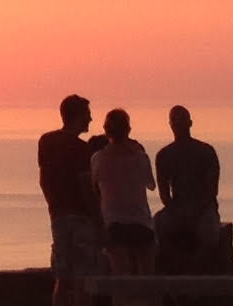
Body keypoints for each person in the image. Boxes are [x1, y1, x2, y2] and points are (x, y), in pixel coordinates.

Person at [37, 94, 105, 306]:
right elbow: (85, 187)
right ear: (77, 115)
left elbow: (44, 178)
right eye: (87, 113)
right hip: (80, 217)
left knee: (62, 279)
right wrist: (99, 221)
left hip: (58, 216)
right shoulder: (80, 149)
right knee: (83, 280)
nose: (90, 118)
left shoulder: (46, 142)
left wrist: (53, 206)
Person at [154, 104, 225, 273]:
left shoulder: (206, 152)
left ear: (190, 123)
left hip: (204, 210)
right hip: (177, 208)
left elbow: (211, 190)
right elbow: (164, 193)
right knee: (157, 226)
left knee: (209, 234)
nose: (178, 124)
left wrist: (195, 211)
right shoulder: (164, 155)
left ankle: (202, 275)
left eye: (182, 120)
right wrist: (177, 211)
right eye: (175, 121)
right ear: (170, 124)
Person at [91, 108, 157, 279]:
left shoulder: (98, 159)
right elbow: (151, 184)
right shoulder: (140, 157)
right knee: (147, 279)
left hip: (113, 225)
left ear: (106, 131)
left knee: (121, 280)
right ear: (128, 129)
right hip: (141, 222)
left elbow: (93, 187)